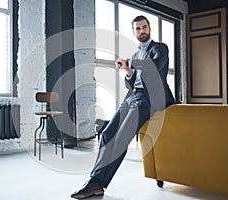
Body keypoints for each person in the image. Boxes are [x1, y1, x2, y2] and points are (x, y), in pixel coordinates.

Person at [71, 15, 175, 199]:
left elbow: (155, 65)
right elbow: (131, 84)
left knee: (121, 139)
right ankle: (95, 181)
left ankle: (97, 182)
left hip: (154, 99)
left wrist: (130, 63)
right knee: (108, 134)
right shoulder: (135, 55)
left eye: (144, 27)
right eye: (138, 28)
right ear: (134, 32)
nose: (142, 31)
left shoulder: (159, 48)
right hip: (135, 97)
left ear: (149, 28)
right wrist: (128, 71)